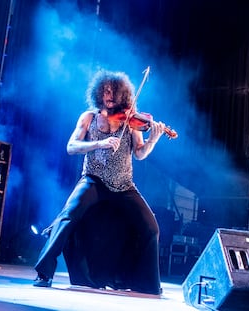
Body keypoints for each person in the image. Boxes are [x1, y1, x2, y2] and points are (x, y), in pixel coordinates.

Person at [33, 69, 166, 295]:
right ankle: (44, 272)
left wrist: (152, 140)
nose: (109, 95)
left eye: (114, 91)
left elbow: (140, 153)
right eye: (105, 91)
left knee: (151, 227)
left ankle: (146, 283)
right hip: (93, 180)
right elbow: (71, 146)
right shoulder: (89, 117)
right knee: (68, 215)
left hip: (124, 185)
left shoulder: (131, 121)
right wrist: (98, 144)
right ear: (98, 93)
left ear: (122, 94)